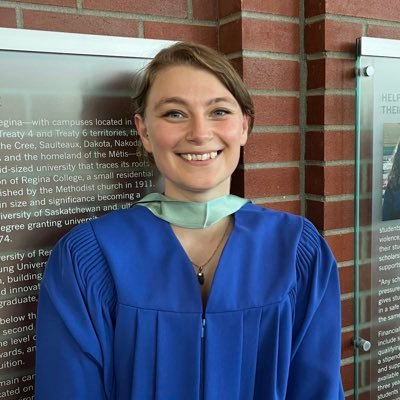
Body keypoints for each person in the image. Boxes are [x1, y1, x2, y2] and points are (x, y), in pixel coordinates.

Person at [35, 41, 344, 399]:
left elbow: (318, 389)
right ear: (145, 132)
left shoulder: (297, 250)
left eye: (219, 112)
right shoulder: (89, 257)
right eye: (174, 114)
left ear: (244, 127)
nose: (199, 133)